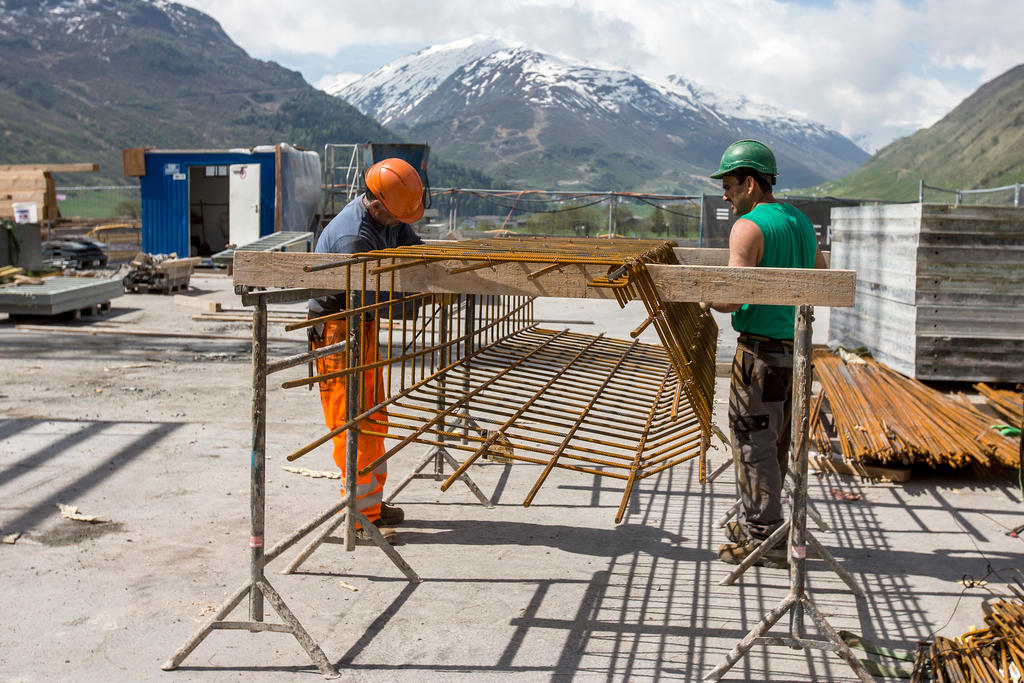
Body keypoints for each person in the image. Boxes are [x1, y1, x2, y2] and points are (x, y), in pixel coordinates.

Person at [706, 139, 826, 568]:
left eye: (730, 184)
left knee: (753, 445)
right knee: (775, 444)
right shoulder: (798, 220)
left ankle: (763, 538)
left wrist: (703, 297)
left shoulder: (748, 227)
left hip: (758, 358)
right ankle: (768, 525)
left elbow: (735, 297)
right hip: (795, 356)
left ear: (751, 184)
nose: (725, 194)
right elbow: (821, 277)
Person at [308, 157, 426, 543]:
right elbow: (383, 298)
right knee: (351, 425)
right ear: (376, 205)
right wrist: (419, 298)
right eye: (395, 216)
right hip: (339, 330)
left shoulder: (389, 216)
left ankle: (371, 506)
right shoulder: (353, 239)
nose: (400, 223)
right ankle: (358, 518)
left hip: (363, 324)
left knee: (373, 417)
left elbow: (413, 249)